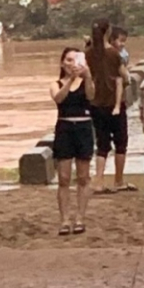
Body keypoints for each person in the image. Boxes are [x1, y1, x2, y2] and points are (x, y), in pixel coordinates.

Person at [50, 47, 96, 236]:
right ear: (62, 63)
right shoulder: (56, 83)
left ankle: (80, 218)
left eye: (74, 60)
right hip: (64, 128)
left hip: (84, 128)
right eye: (68, 60)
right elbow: (59, 98)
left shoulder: (86, 81)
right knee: (64, 178)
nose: (71, 64)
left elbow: (92, 96)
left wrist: (88, 75)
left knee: (83, 177)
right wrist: (69, 80)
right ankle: (64, 219)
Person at [87, 21, 134, 194]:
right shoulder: (114, 54)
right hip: (115, 103)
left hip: (96, 104)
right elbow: (125, 77)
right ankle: (118, 181)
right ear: (108, 33)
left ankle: (98, 180)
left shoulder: (89, 54)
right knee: (120, 142)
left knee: (102, 144)